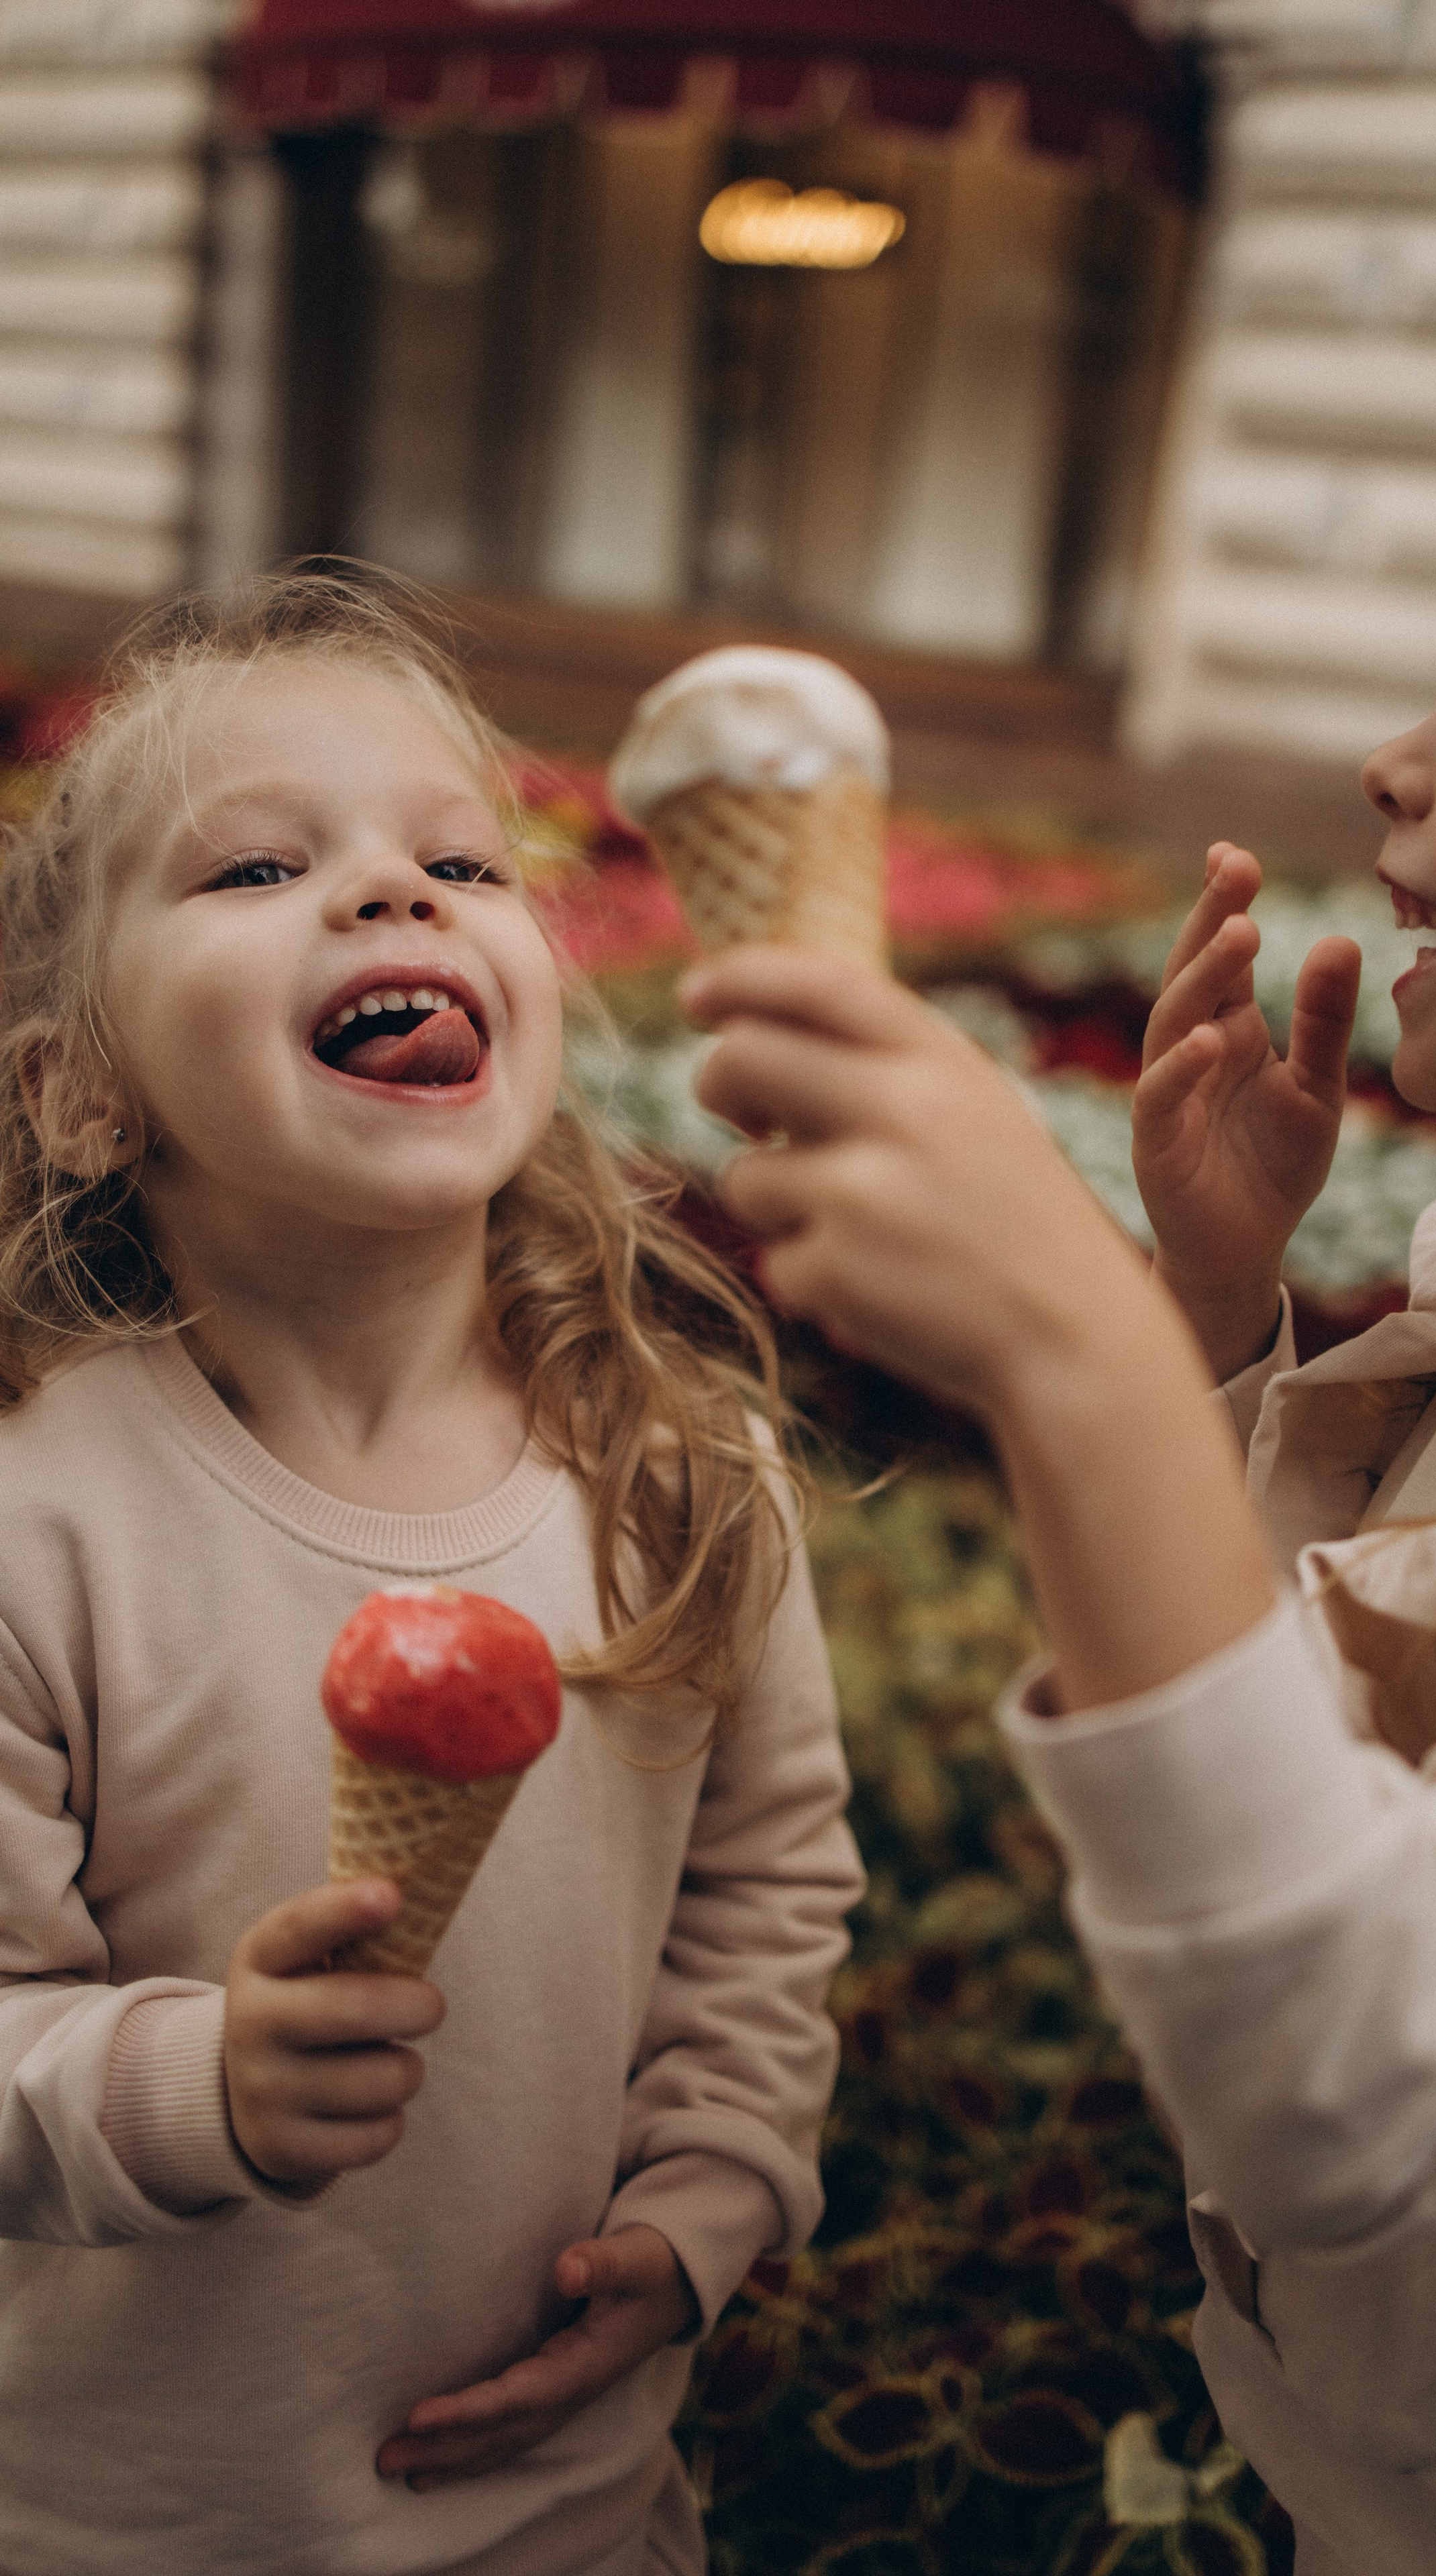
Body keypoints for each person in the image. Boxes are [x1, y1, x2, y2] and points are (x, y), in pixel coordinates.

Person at [681, 303, 1436, 2573]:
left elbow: (1363, 2061)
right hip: (1347, 2436)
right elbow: (1349, 1687)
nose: (1398, 757)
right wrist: (1221, 1317)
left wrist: (1080, 1361)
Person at [0, 574, 862, 2576]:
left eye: (463, 859)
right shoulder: (41, 1523)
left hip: (564, 2503)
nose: (399, 895)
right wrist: (187, 2080)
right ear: (79, 1089)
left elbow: (769, 1886)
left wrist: (709, 2198)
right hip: (126, 2520)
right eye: (261, 866)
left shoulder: (682, 1475)